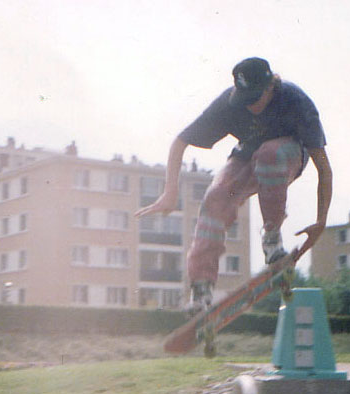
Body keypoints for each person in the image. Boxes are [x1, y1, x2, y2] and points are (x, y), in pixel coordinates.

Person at [135, 57, 332, 311]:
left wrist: (321, 220)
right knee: (216, 197)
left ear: (271, 86)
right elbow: (180, 141)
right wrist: (170, 193)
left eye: (254, 99)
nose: (248, 106)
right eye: (244, 100)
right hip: (248, 155)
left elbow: (324, 168)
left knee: (269, 154)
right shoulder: (228, 103)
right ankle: (201, 288)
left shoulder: (296, 101)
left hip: (289, 154)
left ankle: (272, 239)